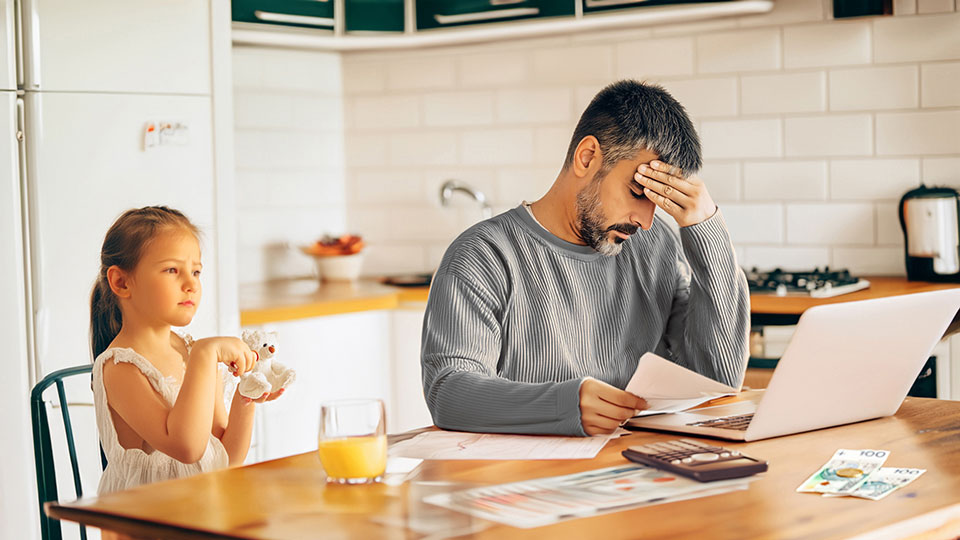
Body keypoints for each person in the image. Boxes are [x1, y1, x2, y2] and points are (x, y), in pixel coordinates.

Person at [421, 80, 749, 437]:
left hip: (635, 470)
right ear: (587, 157)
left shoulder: (656, 248)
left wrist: (706, 229)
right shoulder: (483, 255)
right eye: (638, 192)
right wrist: (562, 405)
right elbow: (448, 392)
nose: (647, 220)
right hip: (525, 482)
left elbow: (717, 381)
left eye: (661, 200)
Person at [89, 206, 283, 498]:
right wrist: (205, 354)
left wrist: (246, 396)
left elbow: (226, 459)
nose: (191, 284)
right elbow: (186, 448)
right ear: (122, 282)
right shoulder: (119, 368)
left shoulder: (190, 352)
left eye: (196, 271)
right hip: (143, 519)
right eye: (172, 270)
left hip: (196, 509)